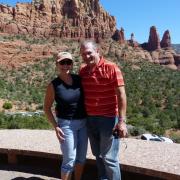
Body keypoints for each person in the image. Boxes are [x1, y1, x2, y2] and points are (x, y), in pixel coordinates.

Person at [79, 40, 128, 180]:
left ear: (97, 51)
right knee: (98, 155)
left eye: (89, 53)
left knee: (110, 158)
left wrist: (122, 122)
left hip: (108, 120)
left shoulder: (111, 68)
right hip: (90, 120)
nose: (86, 56)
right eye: (83, 54)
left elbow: (122, 95)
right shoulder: (82, 71)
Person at [44, 51, 87, 180]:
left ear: (72, 64)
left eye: (68, 62)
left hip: (84, 123)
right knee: (69, 160)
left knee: (81, 158)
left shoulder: (79, 80)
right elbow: (46, 108)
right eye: (62, 62)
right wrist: (56, 127)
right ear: (57, 64)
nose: (65, 65)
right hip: (66, 125)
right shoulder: (54, 85)